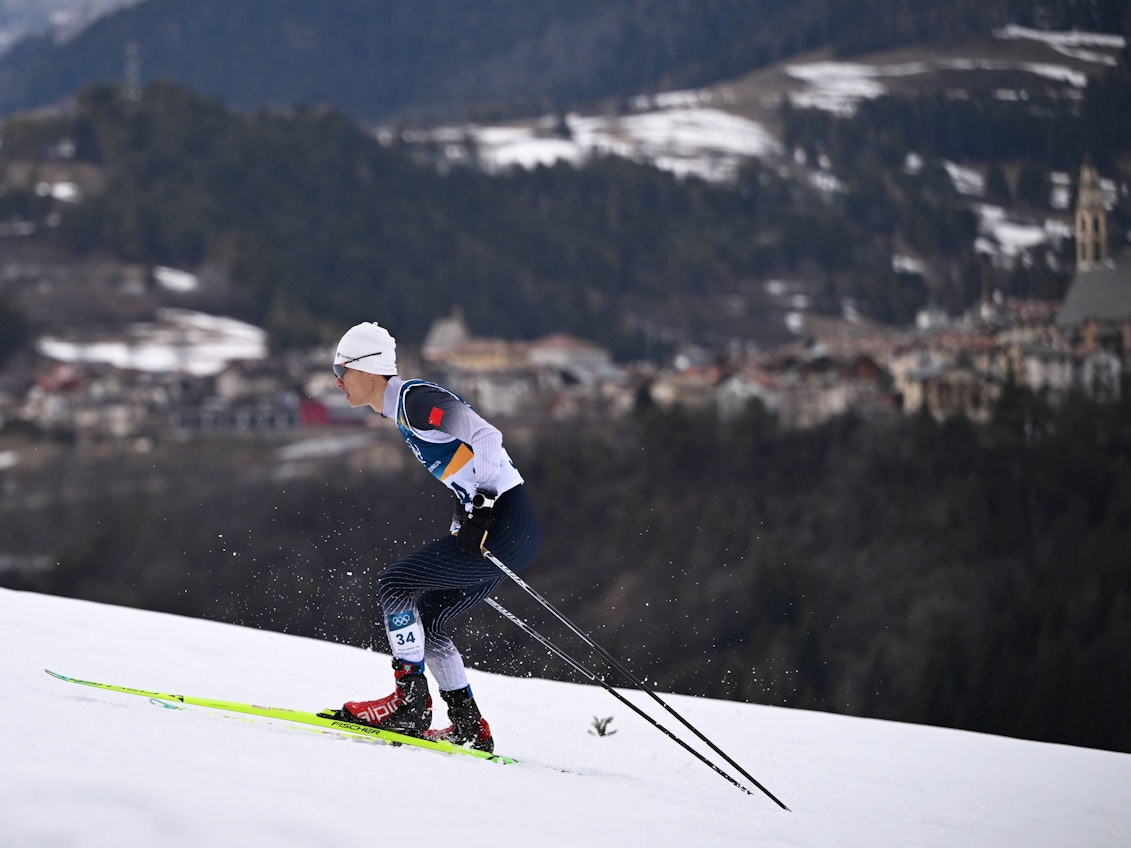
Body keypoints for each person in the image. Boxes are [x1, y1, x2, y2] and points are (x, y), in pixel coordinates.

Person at [327, 321, 541, 752]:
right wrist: (466, 514)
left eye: (342, 370)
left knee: (394, 585)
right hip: (507, 527)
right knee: (429, 619)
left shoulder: (415, 400)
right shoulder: (405, 411)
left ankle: (409, 704)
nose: (337, 381)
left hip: (505, 523)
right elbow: (467, 465)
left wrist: (480, 505)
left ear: (368, 370)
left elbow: (486, 435)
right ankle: (467, 725)